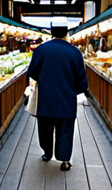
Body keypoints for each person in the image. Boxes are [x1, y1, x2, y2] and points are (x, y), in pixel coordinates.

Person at [28, 26, 89, 171]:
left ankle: (47, 153)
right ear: (66, 34)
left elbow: (33, 72)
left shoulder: (41, 49)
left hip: (46, 97)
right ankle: (65, 160)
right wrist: (74, 90)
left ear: (51, 33)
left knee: (45, 127)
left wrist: (43, 80)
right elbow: (82, 80)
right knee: (66, 129)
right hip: (67, 98)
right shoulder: (75, 52)